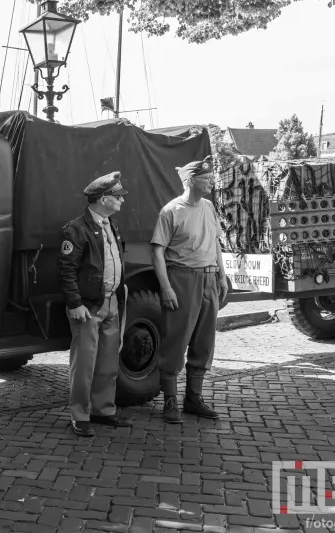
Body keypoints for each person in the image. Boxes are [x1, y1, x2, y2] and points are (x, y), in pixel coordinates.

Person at [150, 155, 229, 424]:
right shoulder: (171, 211)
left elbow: (216, 243)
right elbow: (157, 251)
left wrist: (222, 274)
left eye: (211, 177)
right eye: (206, 178)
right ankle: (170, 401)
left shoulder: (208, 206)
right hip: (182, 279)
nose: (211, 182)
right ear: (191, 180)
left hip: (208, 279)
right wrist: (166, 287)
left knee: (204, 341)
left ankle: (193, 398)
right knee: (176, 339)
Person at [57, 171, 132, 437]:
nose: (121, 201)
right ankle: (80, 414)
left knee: (108, 361)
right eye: (117, 197)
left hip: (110, 301)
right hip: (88, 306)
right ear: (102, 199)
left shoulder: (111, 225)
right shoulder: (76, 229)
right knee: (85, 364)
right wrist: (75, 303)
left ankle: (104, 409)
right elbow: (66, 271)